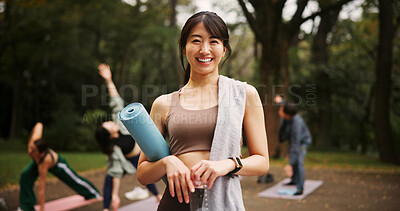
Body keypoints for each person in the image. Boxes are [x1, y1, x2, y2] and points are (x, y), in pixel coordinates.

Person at [136, 11, 269, 210]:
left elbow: (262, 162)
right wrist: (167, 162)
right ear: (184, 48)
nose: (204, 50)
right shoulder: (163, 103)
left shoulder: (244, 94)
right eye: (196, 41)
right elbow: (143, 174)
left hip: (222, 202)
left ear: (224, 49)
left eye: (213, 41)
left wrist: (228, 164)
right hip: (176, 204)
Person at [95, 63, 162, 211]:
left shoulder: (119, 123)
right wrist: (115, 195)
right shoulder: (114, 149)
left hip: (139, 155)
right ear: (111, 136)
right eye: (109, 126)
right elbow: (116, 172)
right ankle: (106, 208)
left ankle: (157, 196)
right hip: (127, 161)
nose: (111, 123)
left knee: (145, 172)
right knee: (109, 178)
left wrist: (108, 80)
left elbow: (115, 101)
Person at [19, 122, 101, 211]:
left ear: (41, 153)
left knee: (73, 179)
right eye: (31, 148)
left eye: (33, 150)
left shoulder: (45, 161)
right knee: (25, 175)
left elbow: (41, 189)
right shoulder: (35, 140)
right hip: (37, 162)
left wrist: (41, 209)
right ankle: (26, 207)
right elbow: (39, 124)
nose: (30, 152)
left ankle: (92, 193)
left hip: (57, 164)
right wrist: (31, 139)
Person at [275, 95, 312, 195]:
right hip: (295, 141)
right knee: (294, 159)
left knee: (298, 162)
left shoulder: (296, 124)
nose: (280, 109)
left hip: (302, 142)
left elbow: (295, 145)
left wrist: (290, 164)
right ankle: (294, 181)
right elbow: (287, 105)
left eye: (281, 108)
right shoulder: (289, 113)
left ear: (287, 114)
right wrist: (280, 101)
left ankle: (300, 188)